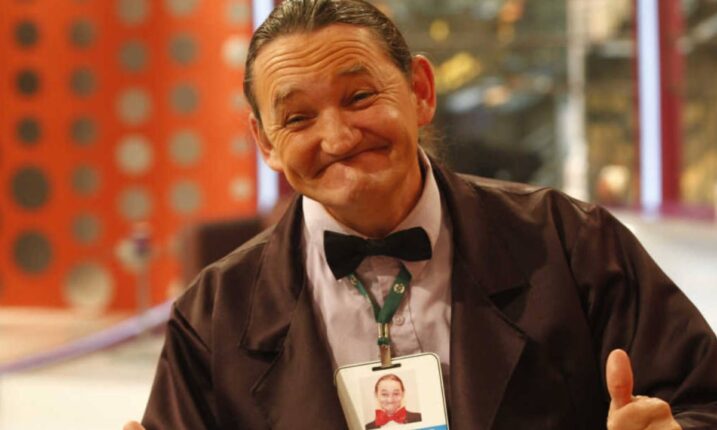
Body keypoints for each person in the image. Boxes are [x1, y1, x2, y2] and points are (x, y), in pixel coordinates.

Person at [126, 0, 717, 429]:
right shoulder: (215, 314)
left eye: (360, 97)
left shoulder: (571, 244)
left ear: (421, 91)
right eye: (299, 118)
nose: (338, 138)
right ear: (266, 143)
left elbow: (704, 401)